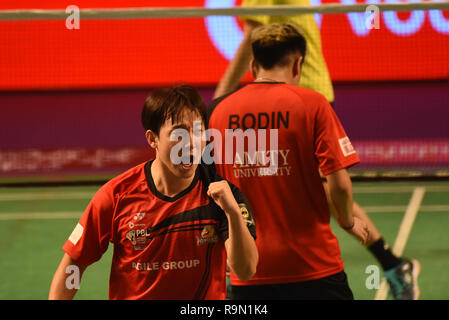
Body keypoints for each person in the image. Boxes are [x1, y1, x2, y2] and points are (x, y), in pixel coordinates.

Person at [213, 0, 420, 300]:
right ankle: (392, 264)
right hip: (305, 90)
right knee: (297, 185)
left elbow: (251, 38)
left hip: (297, 96)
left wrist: (220, 99)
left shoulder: (283, 96)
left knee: (274, 182)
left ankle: (391, 264)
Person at [48, 85, 258, 300]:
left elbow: (245, 270)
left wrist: (232, 211)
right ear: (153, 139)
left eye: (198, 131)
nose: (191, 143)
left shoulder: (221, 194)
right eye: (179, 133)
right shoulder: (117, 195)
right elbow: (75, 263)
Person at [208, 22, 368, 300]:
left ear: (253, 64)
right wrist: (347, 221)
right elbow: (339, 185)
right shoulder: (312, 104)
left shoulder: (218, 112)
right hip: (315, 266)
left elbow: (207, 189)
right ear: (298, 64)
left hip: (249, 269)